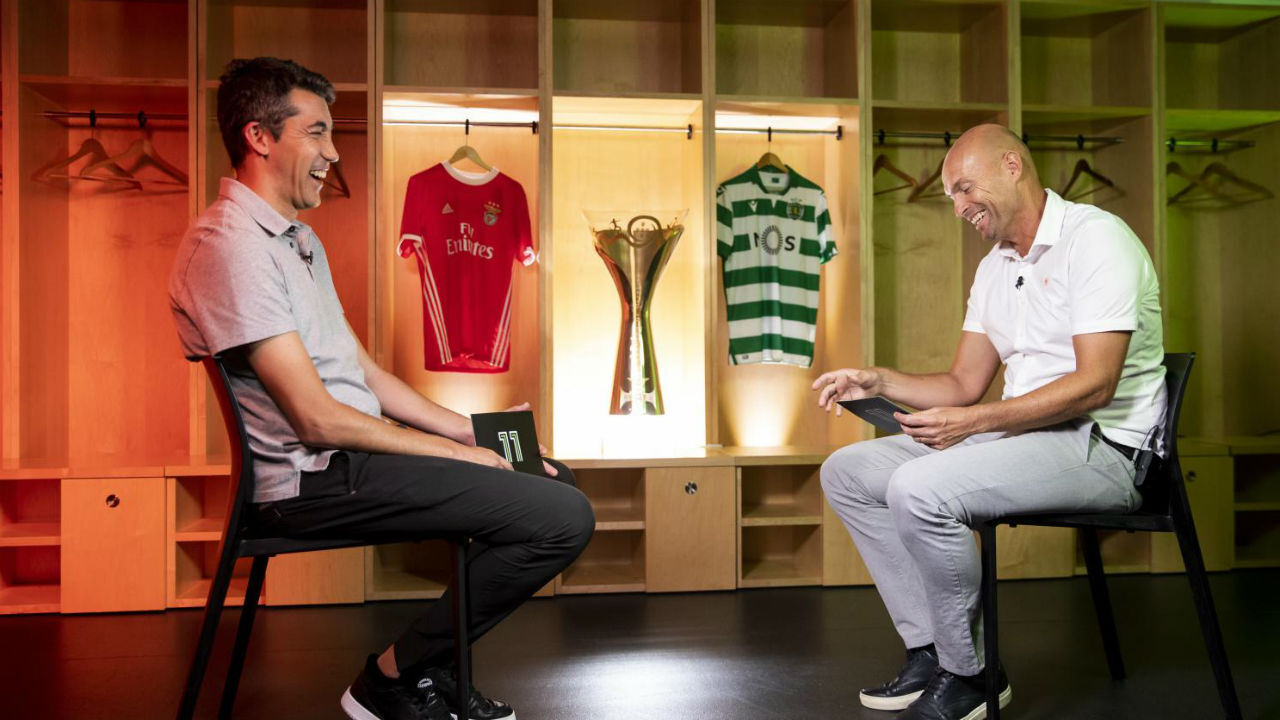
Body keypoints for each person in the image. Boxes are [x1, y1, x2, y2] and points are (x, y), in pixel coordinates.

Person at [168, 57, 594, 720]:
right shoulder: (231, 247)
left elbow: (365, 373)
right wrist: (461, 456)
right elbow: (315, 419)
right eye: (316, 132)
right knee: (562, 518)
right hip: (312, 481)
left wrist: (469, 431)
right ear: (259, 137)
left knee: (556, 482)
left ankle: (419, 668)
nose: (333, 153)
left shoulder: (296, 240)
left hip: (353, 459)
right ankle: (394, 678)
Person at [815, 124, 1166, 720]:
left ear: (1011, 166)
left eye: (963, 188)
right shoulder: (995, 267)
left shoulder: (1097, 238)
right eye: (951, 196)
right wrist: (877, 380)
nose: (958, 207)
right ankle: (935, 650)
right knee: (846, 472)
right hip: (1024, 435)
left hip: (1106, 447)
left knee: (919, 488)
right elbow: (962, 383)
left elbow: (1096, 383)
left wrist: (972, 423)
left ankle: (970, 673)